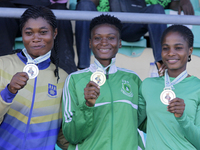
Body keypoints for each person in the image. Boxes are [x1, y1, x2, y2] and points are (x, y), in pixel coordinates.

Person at [62, 14, 145, 150]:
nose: (104, 42)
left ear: (119, 42)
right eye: (97, 38)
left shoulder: (133, 79)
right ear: (90, 43)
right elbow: (71, 135)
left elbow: (147, 122)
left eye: (111, 38)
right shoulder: (74, 80)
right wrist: (88, 105)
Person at [0, 6, 68, 150]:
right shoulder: (2, 65)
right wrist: (9, 92)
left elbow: (62, 134)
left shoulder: (63, 78)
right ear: (22, 34)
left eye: (43, 32)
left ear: (55, 33)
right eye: (29, 33)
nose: (36, 39)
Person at [138, 25, 200, 149]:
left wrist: (182, 117)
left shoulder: (197, 88)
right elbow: (138, 122)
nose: (171, 53)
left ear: (190, 51)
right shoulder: (148, 85)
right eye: (166, 48)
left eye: (178, 48)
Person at [0, 0, 77, 74]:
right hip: (10, 8)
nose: (36, 39)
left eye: (43, 32)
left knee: (60, 11)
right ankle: (3, 66)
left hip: (46, 8)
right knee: (2, 9)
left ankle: (66, 72)